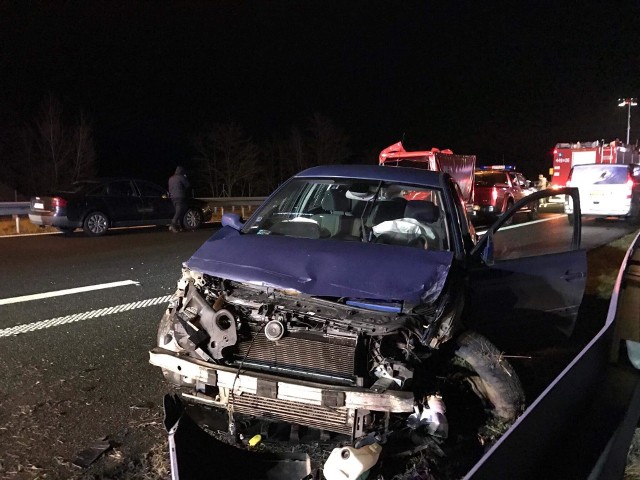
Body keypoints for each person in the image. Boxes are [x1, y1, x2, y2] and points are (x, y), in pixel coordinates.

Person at [168, 166, 191, 232]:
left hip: (173, 197)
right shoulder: (181, 177)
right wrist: (185, 177)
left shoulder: (171, 178)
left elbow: (170, 188)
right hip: (180, 196)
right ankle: (173, 225)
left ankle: (180, 226)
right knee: (179, 211)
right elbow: (188, 185)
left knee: (179, 211)